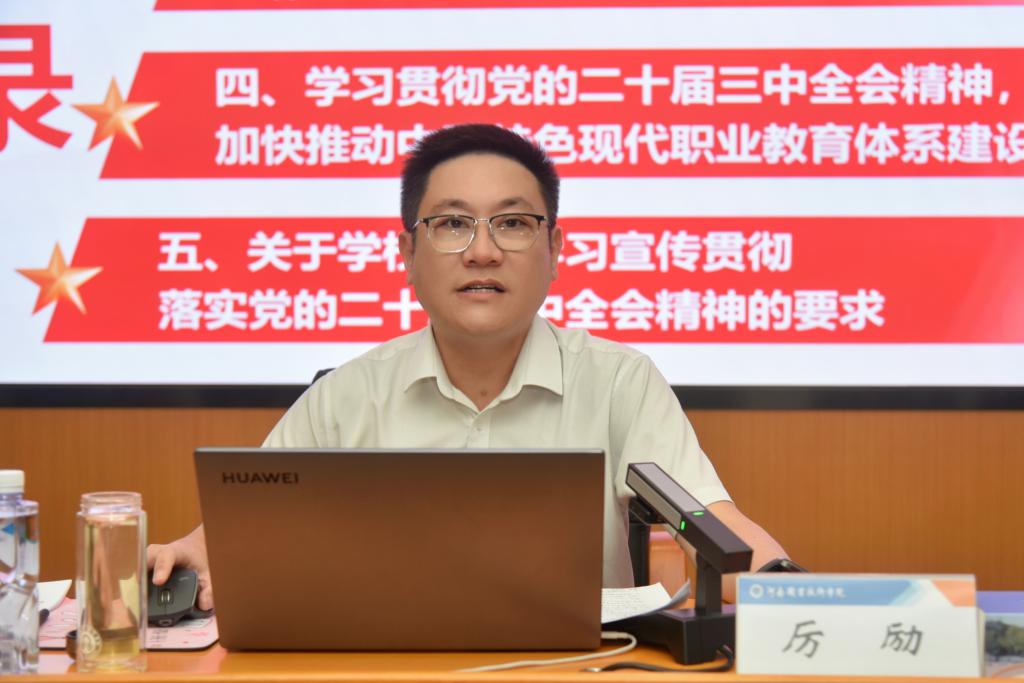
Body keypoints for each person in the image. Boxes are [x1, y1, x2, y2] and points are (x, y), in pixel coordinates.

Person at [148, 123, 787, 611]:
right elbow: (231, 543)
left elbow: (717, 530)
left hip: (572, 670)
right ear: (407, 252)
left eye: (513, 223)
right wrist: (184, 560)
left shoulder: (619, 382)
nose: (482, 251)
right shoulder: (347, 396)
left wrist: (791, 589)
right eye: (452, 224)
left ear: (555, 250)